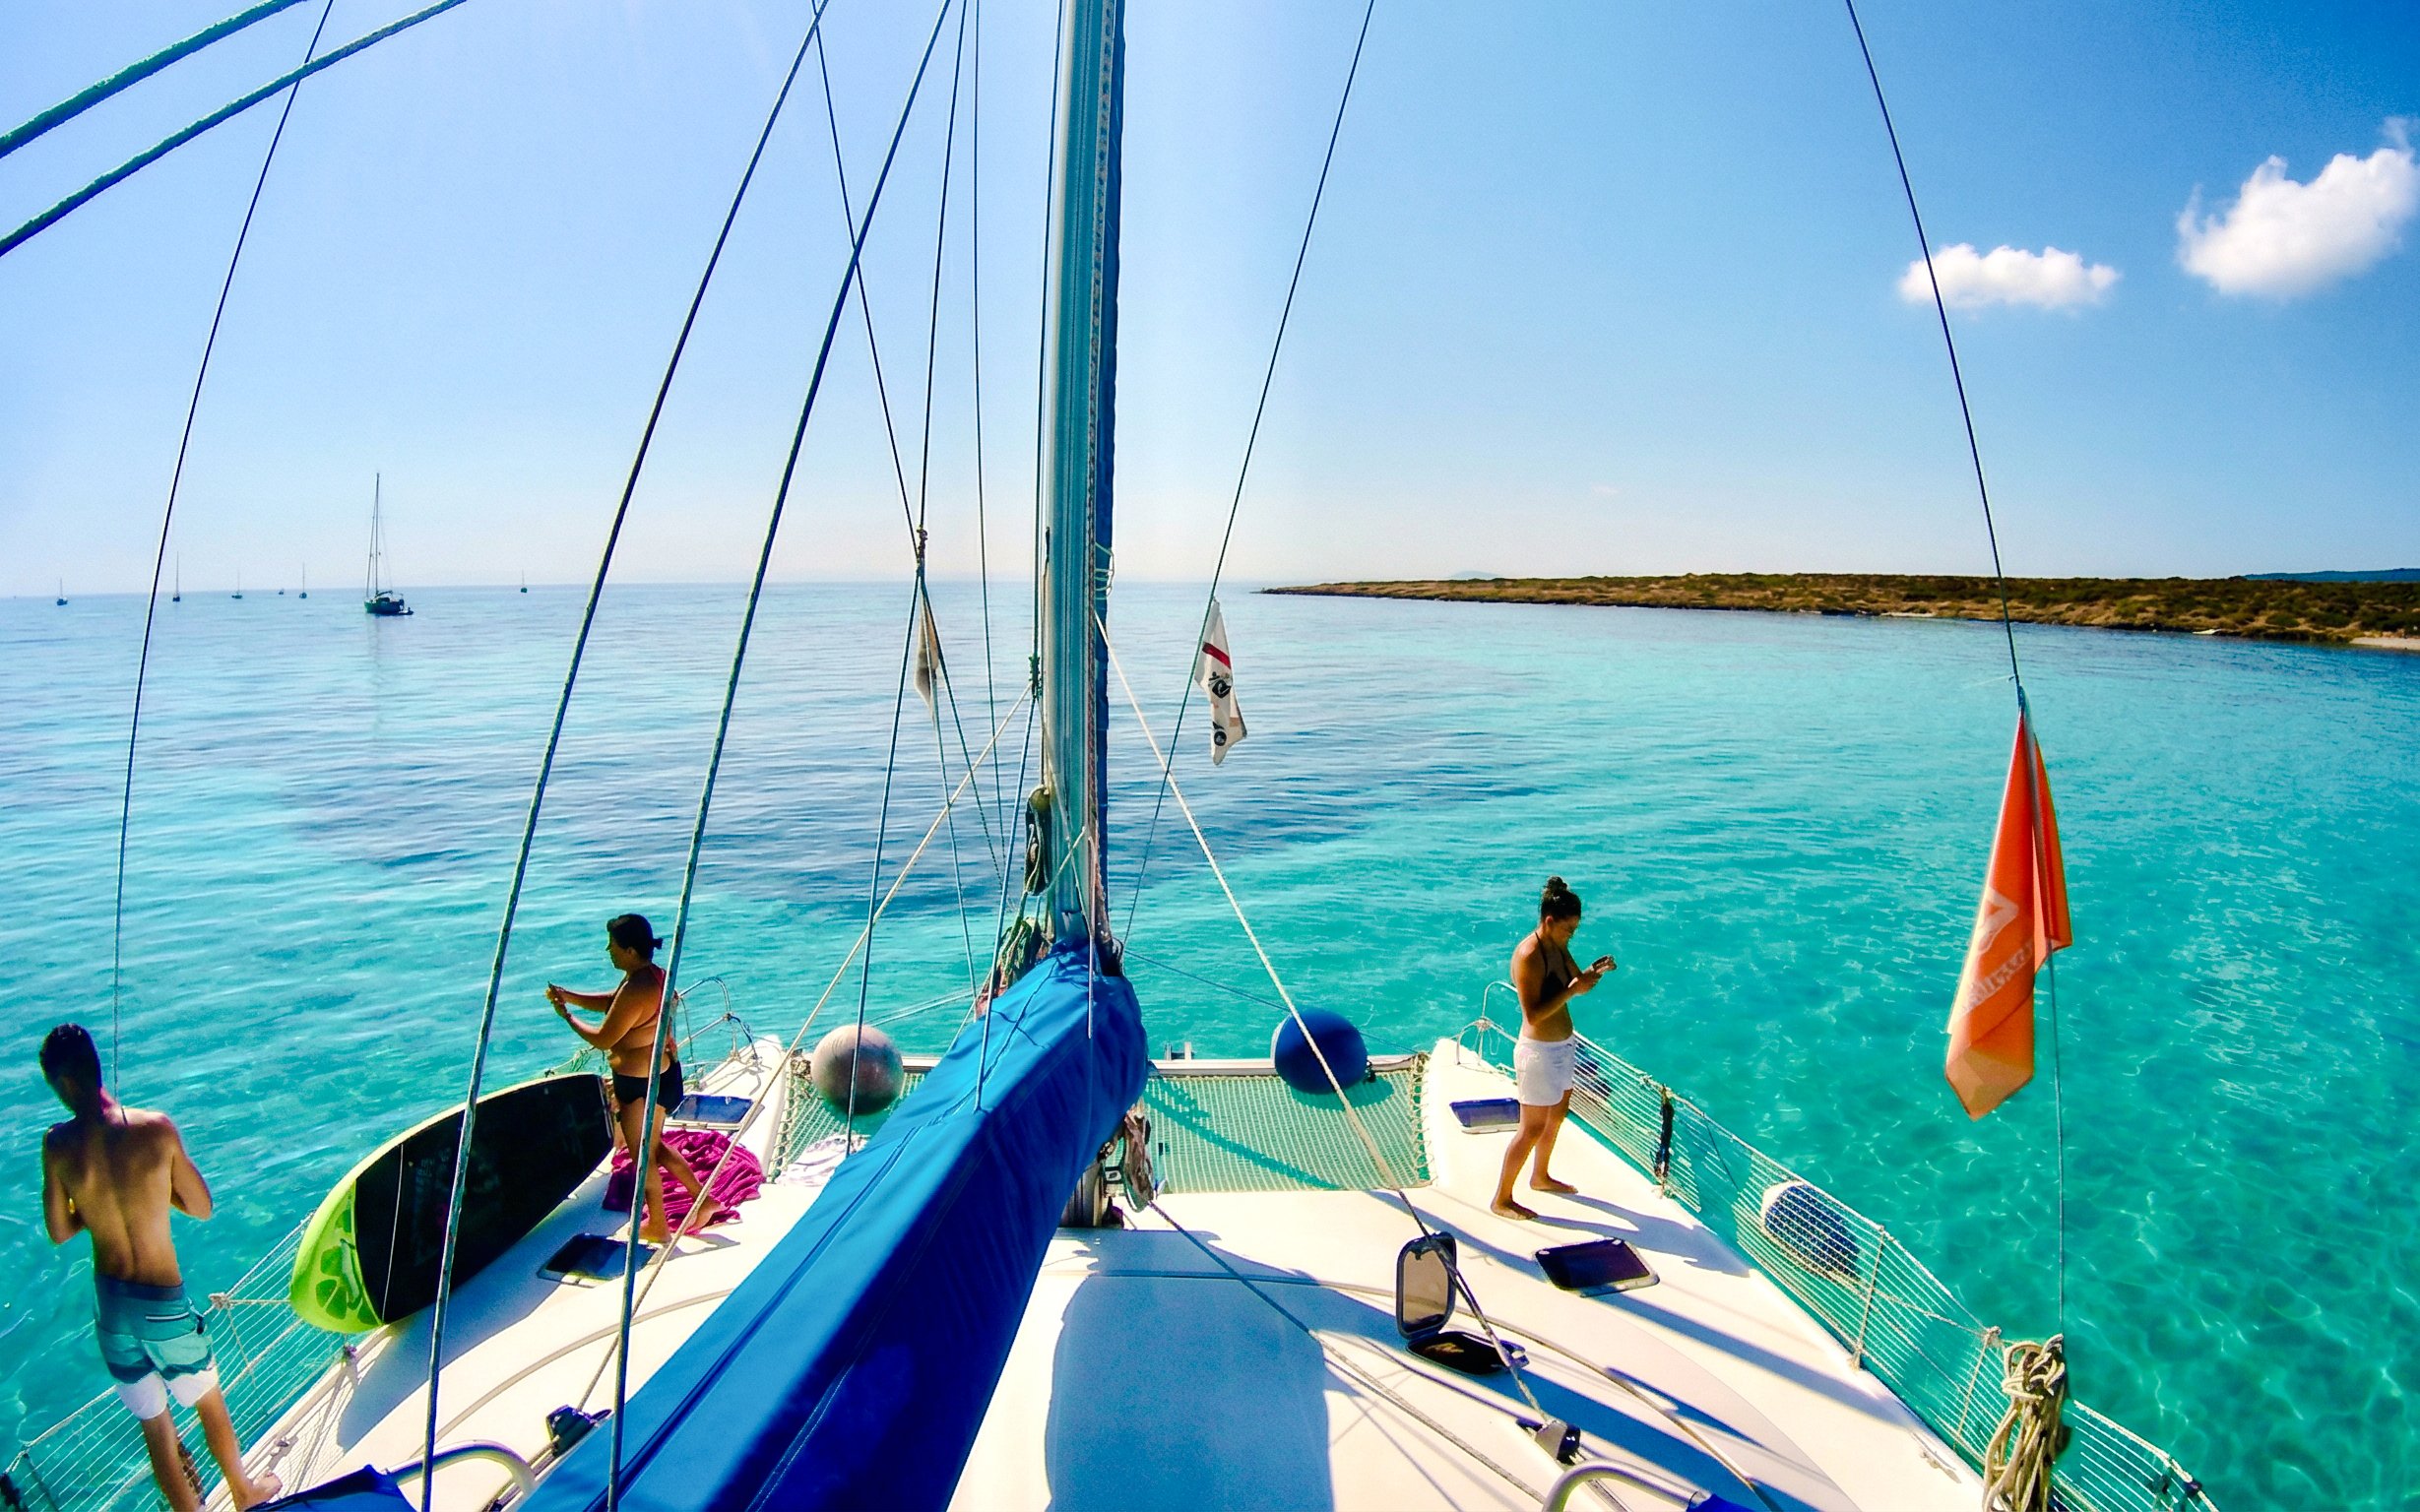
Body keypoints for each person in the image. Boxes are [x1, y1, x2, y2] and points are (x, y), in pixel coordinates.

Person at [38, 1024, 281, 1512]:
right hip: (161, 1306)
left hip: (111, 1311)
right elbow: (202, 1206)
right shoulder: (155, 1129)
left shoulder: (57, 1145)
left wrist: (94, 1203)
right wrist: (151, 1191)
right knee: (209, 1401)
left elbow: (60, 1231)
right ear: (94, 1066)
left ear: (63, 1083)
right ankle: (243, 1491)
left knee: (156, 1428)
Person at [548, 914, 722, 1245]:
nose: (607, 951)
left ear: (629, 950)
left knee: (643, 1155)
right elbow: (613, 1004)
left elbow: (603, 1038)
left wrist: (567, 1017)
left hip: (637, 1086)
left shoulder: (636, 987)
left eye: (612, 946)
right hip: (662, 1074)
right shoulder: (652, 976)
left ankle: (658, 1223)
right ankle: (705, 1200)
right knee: (654, 1147)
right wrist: (570, 996)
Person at [1492, 877, 1615, 1221]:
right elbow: (1532, 1014)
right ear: (1549, 921)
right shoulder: (1529, 955)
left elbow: (1578, 985)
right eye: (1569, 929)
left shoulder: (1557, 946)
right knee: (1530, 1127)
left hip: (1563, 1046)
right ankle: (1501, 1198)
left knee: (1556, 1117)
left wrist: (1591, 974)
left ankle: (1540, 1176)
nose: (1571, 935)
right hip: (1539, 1052)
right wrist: (1574, 989)